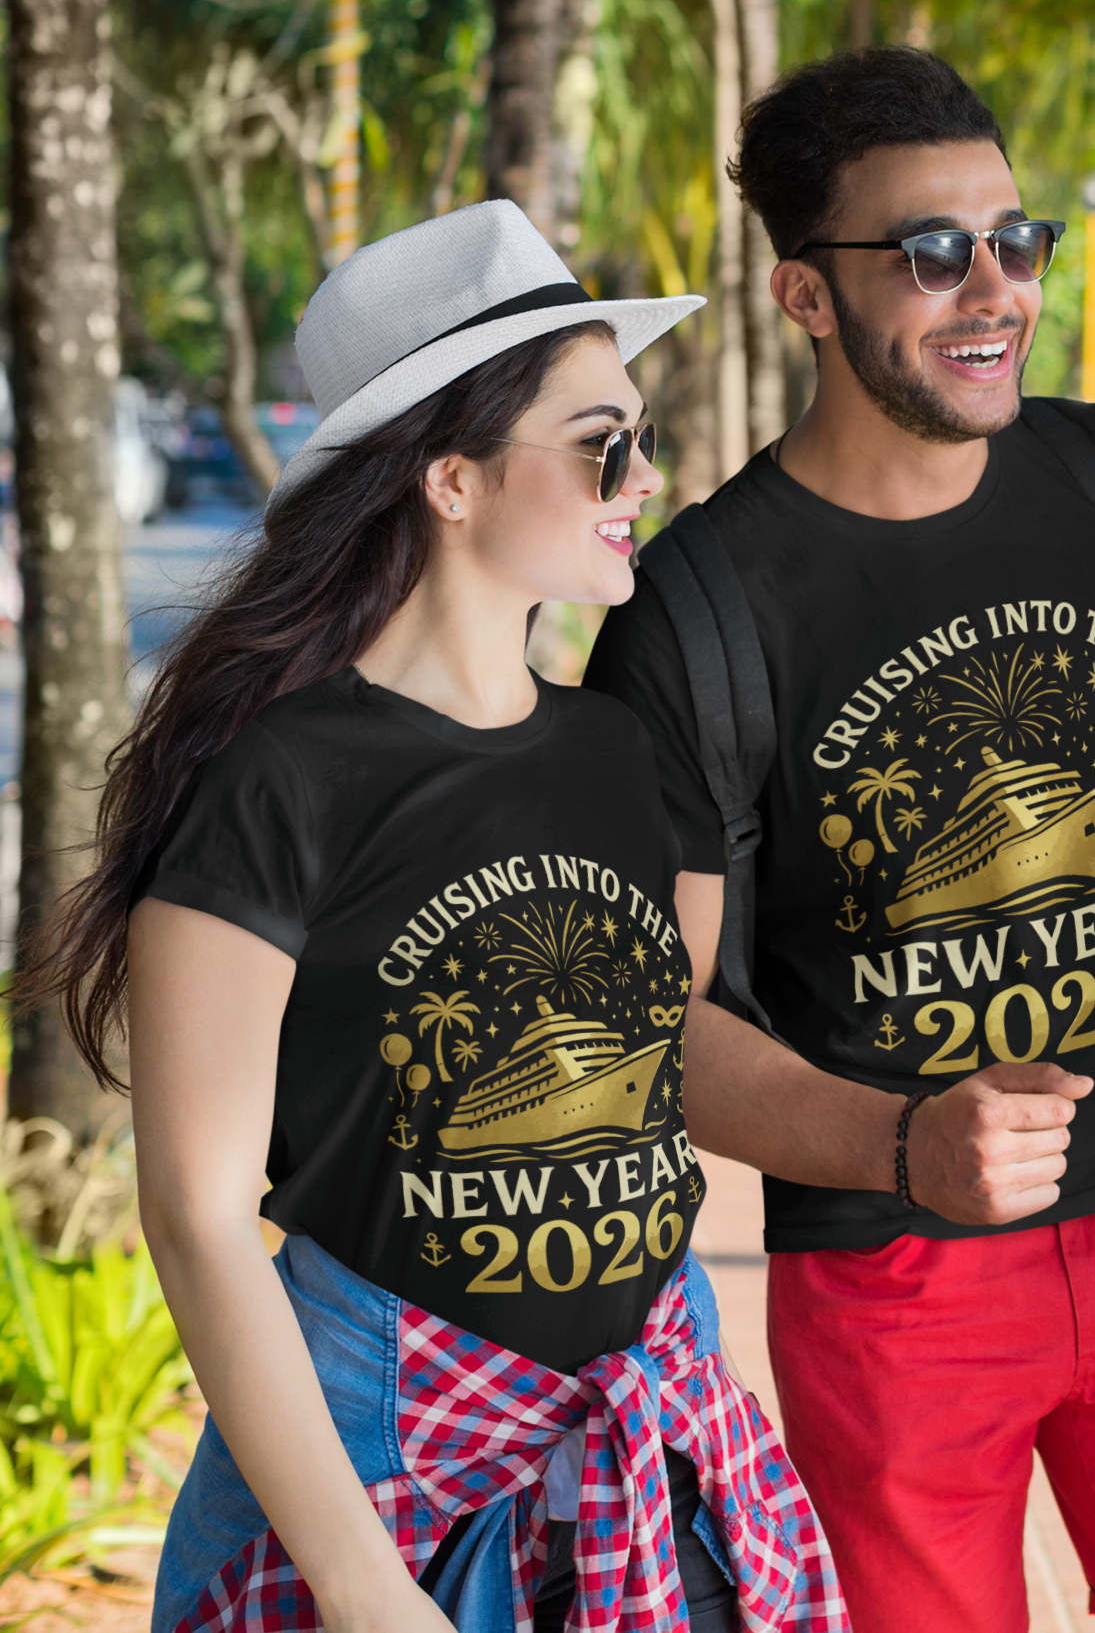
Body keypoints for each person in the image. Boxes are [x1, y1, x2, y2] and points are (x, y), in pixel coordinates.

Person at [584, 46, 1095, 1633]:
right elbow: (658, 1023)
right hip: (896, 1277)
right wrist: (900, 1144)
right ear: (806, 295)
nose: (990, 287)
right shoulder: (700, 612)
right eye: (932, 253)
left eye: (1014, 240)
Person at [29, 201, 847, 1633]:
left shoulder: (613, 755)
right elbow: (198, 1213)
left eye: (641, 438)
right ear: (450, 478)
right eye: (603, 443)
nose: (644, 476)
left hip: (654, 1463)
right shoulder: (282, 780)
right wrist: (358, 1583)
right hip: (387, 1492)